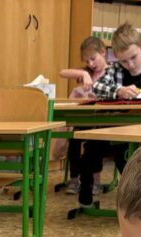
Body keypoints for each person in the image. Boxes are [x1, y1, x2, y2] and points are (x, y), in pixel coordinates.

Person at [77, 23, 141, 208]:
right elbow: (98, 87)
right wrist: (118, 90)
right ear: (117, 57)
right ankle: (86, 190)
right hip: (114, 127)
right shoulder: (115, 70)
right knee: (90, 148)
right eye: (124, 61)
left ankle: (136, 198)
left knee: (124, 156)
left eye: (133, 57)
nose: (130, 65)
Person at [57, 36, 111, 195]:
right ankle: (74, 179)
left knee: (95, 142)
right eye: (87, 61)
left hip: (103, 121)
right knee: (74, 139)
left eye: (93, 59)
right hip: (85, 118)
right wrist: (83, 73)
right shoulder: (87, 72)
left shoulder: (111, 72)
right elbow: (62, 73)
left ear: (103, 52)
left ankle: (95, 180)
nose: (91, 64)